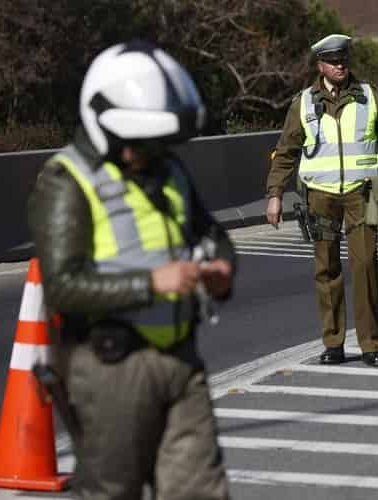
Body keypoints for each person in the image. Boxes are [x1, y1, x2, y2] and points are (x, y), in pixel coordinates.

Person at [27, 41, 234, 500]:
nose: (149, 152)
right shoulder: (66, 180)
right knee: (111, 492)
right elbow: (62, 286)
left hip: (180, 361)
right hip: (109, 368)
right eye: (139, 143)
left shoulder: (169, 170)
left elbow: (211, 232)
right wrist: (150, 284)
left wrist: (223, 268)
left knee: (201, 490)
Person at [265, 34, 378, 368]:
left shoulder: (371, 97)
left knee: (366, 266)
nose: (340, 66)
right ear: (320, 65)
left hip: (368, 190)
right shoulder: (303, 102)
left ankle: (371, 345)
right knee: (326, 267)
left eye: (344, 60)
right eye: (333, 61)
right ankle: (333, 343)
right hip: (319, 193)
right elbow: (286, 152)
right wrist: (274, 194)